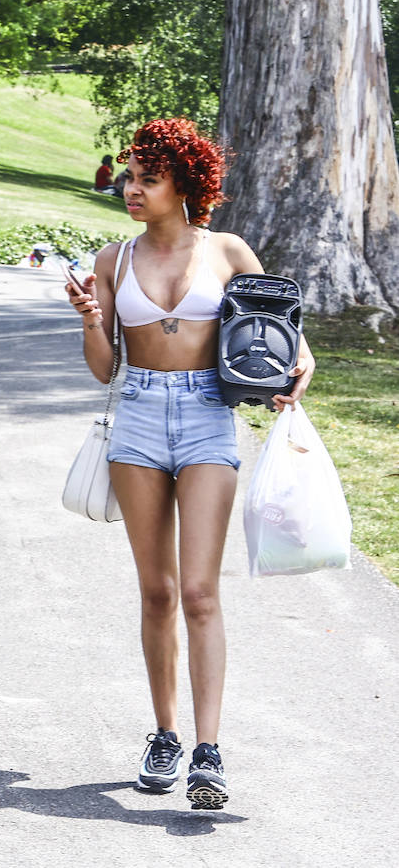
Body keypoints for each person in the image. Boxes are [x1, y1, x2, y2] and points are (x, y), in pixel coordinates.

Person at [65, 118, 316, 811]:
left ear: (185, 183)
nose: (132, 189)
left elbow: (281, 334)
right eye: (129, 177)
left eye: (148, 177)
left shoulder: (229, 250)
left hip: (209, 416)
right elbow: (104, 369)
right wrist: (90, 316)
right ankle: (166, 733)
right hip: (138, 417)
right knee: (157, 592)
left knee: (201, 593)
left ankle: (208, 751)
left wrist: (303, 362)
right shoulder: (114, 259)